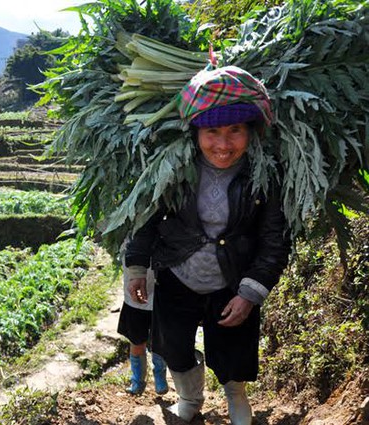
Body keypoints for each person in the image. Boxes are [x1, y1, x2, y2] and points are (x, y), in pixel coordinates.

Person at [125, 66, 291, 424]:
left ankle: (236, 397)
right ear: (195, 132)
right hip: (177, 272)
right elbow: (146, 218)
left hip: (232, 277)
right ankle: (190, 397)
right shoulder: (173, 169)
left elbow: (274, 241)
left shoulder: (264, 177)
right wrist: (137, 266)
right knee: (172, 345)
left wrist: (249, 293)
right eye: (212, 131)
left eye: (236, 131)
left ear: (251, 132)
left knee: (233, 348)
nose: (223, 144)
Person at [117, 253, 169, 396]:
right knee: (136, 340)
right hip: (134, 297)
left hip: (160, 296)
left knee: (160, 341)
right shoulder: (127, 233)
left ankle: (160, 378)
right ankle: (138, 381)